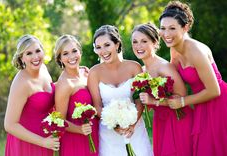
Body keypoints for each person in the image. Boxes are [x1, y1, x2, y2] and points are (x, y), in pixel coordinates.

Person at [159, 1, 227, 156]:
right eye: (162, 28)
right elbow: (170, 75)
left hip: (219, 104)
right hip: (200, 104)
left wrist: (182, 102)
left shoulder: (195, 51)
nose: (166, 34)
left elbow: (214, 90)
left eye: (172, 28)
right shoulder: (174, 49)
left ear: (185, 27)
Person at [88, 25, 153, 156]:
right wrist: (115, 125)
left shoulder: (134, 67)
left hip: (135, 130)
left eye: (107, 45)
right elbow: (97, 106)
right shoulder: (94, 73)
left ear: (117, 44)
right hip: (109, 135)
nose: (103, 51)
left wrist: (132, 124)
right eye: (98, 47)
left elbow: (139, 100)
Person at [131, 23, 193, 156]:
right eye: (135, 42)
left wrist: (154, 101)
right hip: (160, 122)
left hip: (177, 121)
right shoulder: (142, 71)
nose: (138, 46)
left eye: (144, 41)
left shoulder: (164, 67)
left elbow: (182, 96)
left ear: (154, 42)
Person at [4, 35, 59, 156]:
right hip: (28, 145)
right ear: (22, 58)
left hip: (48, 140)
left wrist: (73, 74)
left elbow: (46, 94)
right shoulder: (21, 83)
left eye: (38, 51)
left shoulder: (43, 69)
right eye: (29, 53)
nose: (35, 57)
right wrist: (43, 142)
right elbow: (9, 125)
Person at [54, 34, 99, 156]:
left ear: (80, 52)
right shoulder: (64, 84)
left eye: (74, 51)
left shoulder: (86, 72)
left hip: (93, 133)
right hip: (75, 140)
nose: (71, 57)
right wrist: (80, 129)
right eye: (65, 53)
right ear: (60, 58)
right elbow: (59, 120)